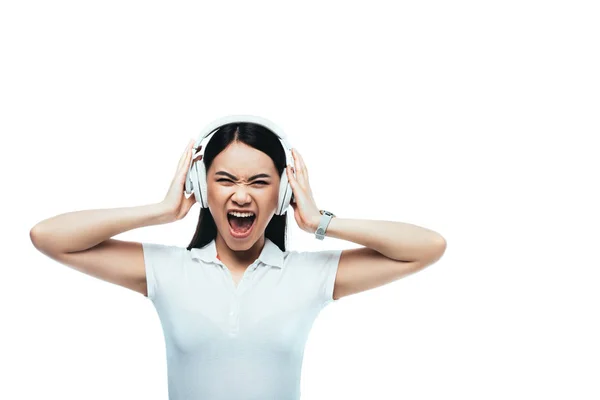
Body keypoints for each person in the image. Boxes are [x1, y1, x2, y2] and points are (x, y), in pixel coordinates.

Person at [30, 121, 447, 400]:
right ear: (201, 186)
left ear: (283, 194)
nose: (242, 195)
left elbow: (426, 246)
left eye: (259, 182)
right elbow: (48, 237)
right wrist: (161, 211)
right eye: (225, 180)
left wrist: (320, 221)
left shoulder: (308, 276)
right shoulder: (167, 271)